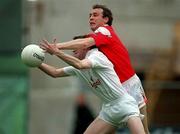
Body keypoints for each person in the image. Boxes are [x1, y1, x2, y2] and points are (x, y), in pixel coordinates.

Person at [41, 4, 149, 133]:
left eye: (95, 15)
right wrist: (36, 61)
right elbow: (58, 70)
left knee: (145, 131)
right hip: (112, 101)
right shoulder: (92, 44)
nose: (91, 18)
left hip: (129, 86)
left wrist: (56, 48)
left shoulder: (105, 31)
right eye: (90, 15)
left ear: (106, 19)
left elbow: (84, 44)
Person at [39, 40, 145, 134]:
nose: (72, 50)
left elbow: (80, 65)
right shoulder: (76, 67)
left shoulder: (97, 56)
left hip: (124, 104)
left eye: (75, 46)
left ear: (85, 47)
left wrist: (57, 51)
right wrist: (37, 62)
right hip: (108, 110)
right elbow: (55, 73)